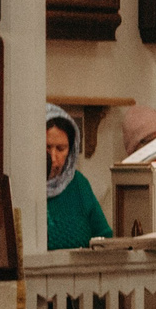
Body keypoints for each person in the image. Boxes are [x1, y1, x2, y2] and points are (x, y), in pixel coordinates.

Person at [46, 104, 112, 250]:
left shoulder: (79, 184)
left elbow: (104, 238)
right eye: (47, 147)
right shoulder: (22, 187)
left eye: (61, 149)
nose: (53, 157)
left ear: (70, 151)